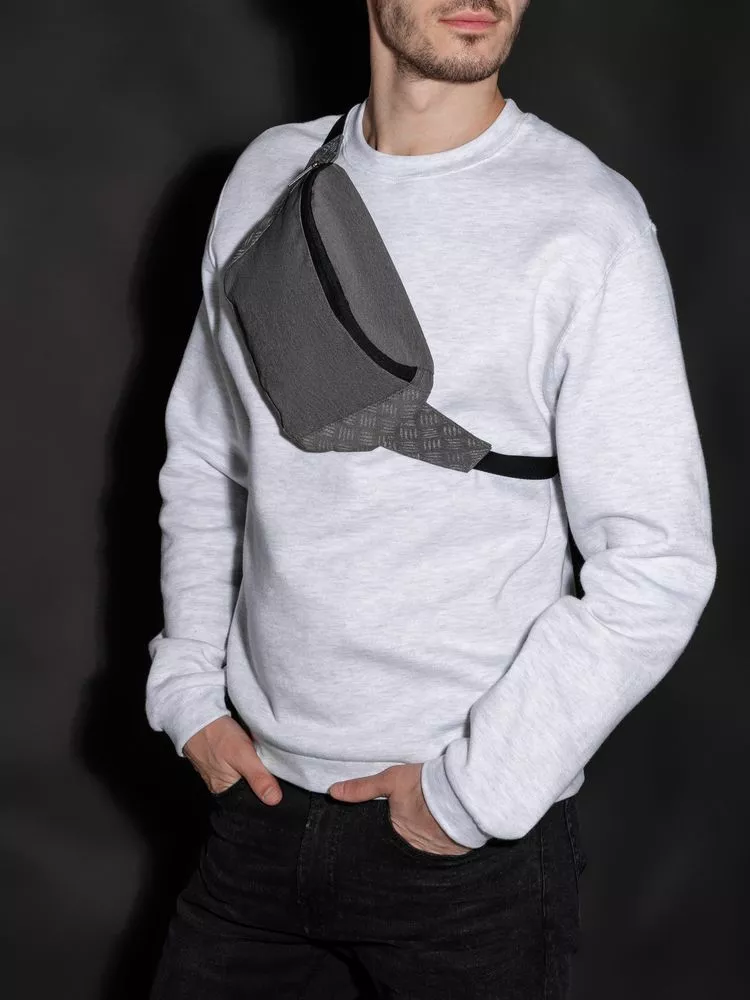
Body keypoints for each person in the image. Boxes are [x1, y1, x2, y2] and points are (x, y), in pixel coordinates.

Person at [145, 1, 717, 997]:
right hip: (257, 815)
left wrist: (466, 797)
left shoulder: (587, 220)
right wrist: (188, 690)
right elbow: (208, 455)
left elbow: (658, 562)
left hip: (461, 858)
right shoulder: (269, 178)